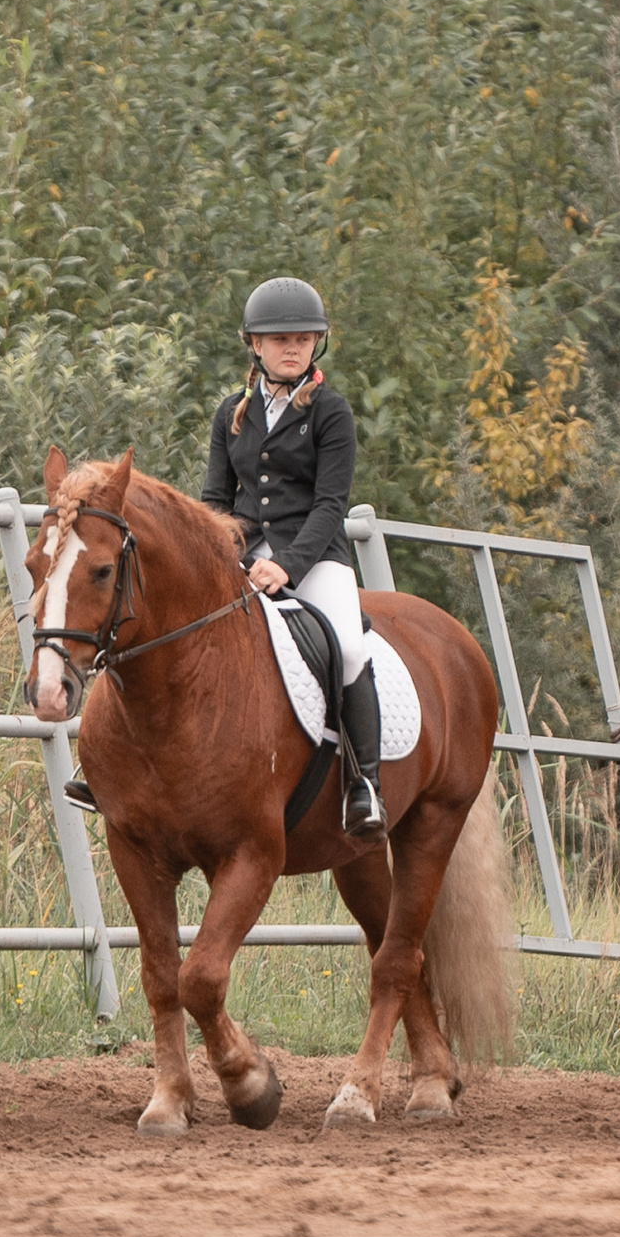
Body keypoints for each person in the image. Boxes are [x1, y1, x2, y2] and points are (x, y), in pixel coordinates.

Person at [62, 275, 384, 837]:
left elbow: (331, 505)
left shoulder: (332, 413)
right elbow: (215, 503)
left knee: (350, 647)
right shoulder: (230, 411)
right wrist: (221, 560)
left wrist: (287, 564)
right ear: (255, 345)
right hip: (240, 554)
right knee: (159, 626)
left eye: (304, 339)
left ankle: (364, 786)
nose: (293, 348)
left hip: (313, 556)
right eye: (280, 339)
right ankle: (108, 767)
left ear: (316, 345)